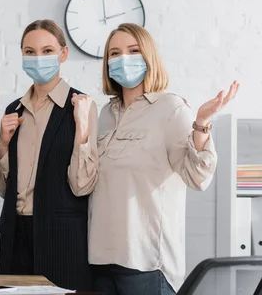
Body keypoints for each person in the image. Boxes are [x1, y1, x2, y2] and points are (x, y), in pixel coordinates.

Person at [89, 23, 239, 295]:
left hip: (145, 263)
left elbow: (198, 177)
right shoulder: (105, 114)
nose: (123, 58)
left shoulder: (171, 108)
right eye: (114, 53)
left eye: (133, 50)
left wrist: (202, 123)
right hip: (100, 260)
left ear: (149, 56)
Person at [0, 19, 98, 290]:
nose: (38, 58)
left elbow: (82, 185)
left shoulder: (81, 106)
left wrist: (82, 127)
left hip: (60, 238)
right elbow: (5, 190)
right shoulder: (13, 110)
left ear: (63, 54)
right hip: (14, 235)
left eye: (47, 50)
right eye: (30, 52)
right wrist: (3, 146)